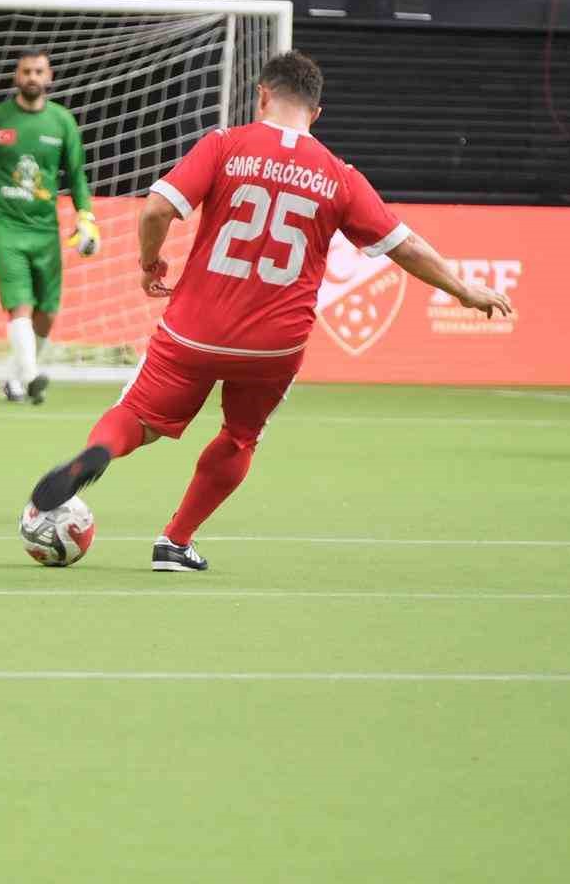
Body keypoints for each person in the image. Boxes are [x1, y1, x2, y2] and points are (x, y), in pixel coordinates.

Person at [28, 50, 511, 572]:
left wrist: (150, 263)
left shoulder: (225, 145)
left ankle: (101, 451)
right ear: (316, 113)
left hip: (196, 329)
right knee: (240, 437)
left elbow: (158, 208)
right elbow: (405, 246)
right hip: (274, 345)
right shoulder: (340, 176)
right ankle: (175, 542)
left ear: (261, 95)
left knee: (137, 417)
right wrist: (463, 290)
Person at [0, 48, 98, 404]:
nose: (32, 77)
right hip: (4, 225)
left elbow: (77, 175)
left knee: (47, 312)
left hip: (45, 228)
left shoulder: (62, 122)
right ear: (16, 76)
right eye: (26, 71)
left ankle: (15, 379)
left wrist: (86, 216)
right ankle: (33, 377)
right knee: (19, 303)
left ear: (49, 77)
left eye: (38, 71)